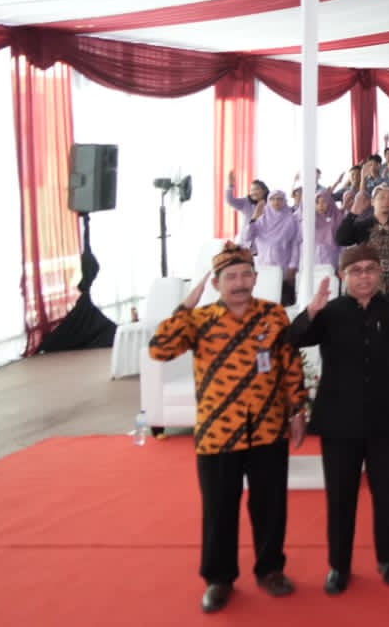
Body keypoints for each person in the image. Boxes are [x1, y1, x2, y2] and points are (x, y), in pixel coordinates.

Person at [148, 242, 307, 613]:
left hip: (268, 427)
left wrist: (297, 409)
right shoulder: (199, 320)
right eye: (230, 277)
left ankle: (270, 570)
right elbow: (160, 348)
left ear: (255, 277)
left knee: (270, 506)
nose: (239, 283)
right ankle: (219, 579)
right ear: (216, 283)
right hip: (219, 431)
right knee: (219, 509)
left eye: (245, 275)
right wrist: (185, 306)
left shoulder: (274, 315)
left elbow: (289, 363)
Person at [289, 245, 389, 595]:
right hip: (339, 423)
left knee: (387, 495)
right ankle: (339, 566)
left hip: (386, 420)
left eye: (370, 269)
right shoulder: (329, 313)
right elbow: (293, 340)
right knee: (340, 497)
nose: (364, 276)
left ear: (380, 274)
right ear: (343, 276)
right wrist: (310, 312)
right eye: (356, 270)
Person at [336, 186, 389, 300]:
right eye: (382, 198)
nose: (386, 201)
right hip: (369, 286)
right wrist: (353, 213)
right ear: (372, 202)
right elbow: (341, 239)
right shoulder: (362, 226)